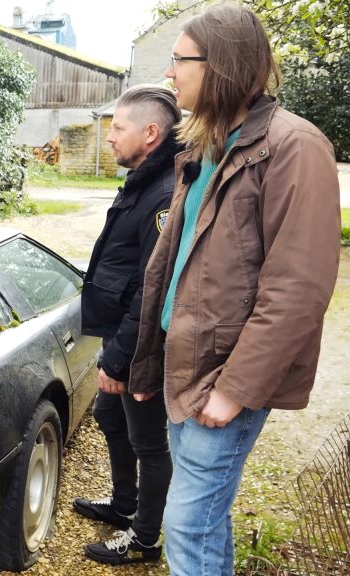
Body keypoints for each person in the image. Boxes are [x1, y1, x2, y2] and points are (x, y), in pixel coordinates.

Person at [128, 6, 341, 574]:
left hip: (223, 375)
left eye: (179, 60)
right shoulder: (207, 145)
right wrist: (151, 358)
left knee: (187, 524)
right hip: (186, 362)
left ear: (220, 65)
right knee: (201, 517)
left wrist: (236, 388)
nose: (170, 74)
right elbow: (172, 267)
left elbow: (299, 288)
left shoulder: (296, 146)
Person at [73, 84, 181, 565]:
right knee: (108, 417)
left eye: (118, 127)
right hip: (120, 334)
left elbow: (150, 289)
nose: (109, 137)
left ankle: (144, 540)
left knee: (148, 441)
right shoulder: (143, 178)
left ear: (151, 133)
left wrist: (119, 358)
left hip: (139, 346)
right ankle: (123, 505)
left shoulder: (162, 194)